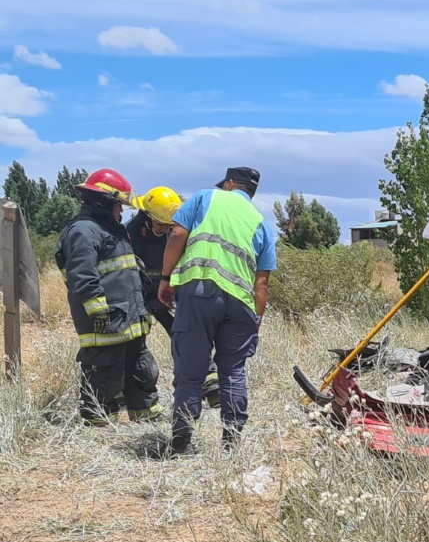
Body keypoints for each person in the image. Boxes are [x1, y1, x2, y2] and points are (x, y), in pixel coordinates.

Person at [157, 166, 276, 456]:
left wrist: (165, 277)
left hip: (199, 294)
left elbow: (177, 234)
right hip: (241, 306)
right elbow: (262, 284)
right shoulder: (262, 224)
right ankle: (231, 445)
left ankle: (181, 442)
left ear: (230, 183)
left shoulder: (204, 197)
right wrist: (255, 321)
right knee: (233, 372)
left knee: (191, 372)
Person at [55, 168, 161, 424]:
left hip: (128, 316)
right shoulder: (83, 231)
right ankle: (98, 421)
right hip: (105, 317)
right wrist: (97, 310)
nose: (121, 211)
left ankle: (144, 415)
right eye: (118, 205)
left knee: (139, 367)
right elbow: (82, 275)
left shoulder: (112, 230)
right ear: (104, 201)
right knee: (104, 370)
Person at [127, 185, 220, 409]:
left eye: (170, 225)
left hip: (167, 294)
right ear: (146, 216)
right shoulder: (129, 234)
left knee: (185, 336)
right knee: (132, 345)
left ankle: (209, 384)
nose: (164, 230)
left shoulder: (178, 232)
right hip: (139, 294)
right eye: (161, 224)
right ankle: (133, 396)